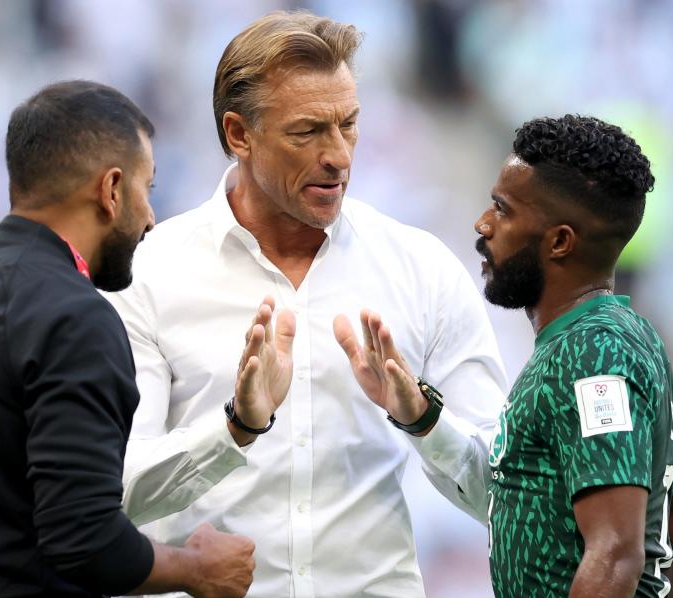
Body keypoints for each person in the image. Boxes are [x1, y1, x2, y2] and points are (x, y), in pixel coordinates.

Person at [0, 80, 296, 597]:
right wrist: (195, 569)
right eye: (148, 189)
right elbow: (85, 538)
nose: (150, 218)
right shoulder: (77, 317)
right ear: (111, 189)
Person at [104, 10, 507, 598]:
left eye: (349, 124)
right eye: (307, 131)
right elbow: (112, 494)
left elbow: (506, 494)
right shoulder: (150, 273)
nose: (338, 154)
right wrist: (234, 431)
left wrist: (423, 419)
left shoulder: (422, 269)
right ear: (239, 134)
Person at [350, 114, 673, 596]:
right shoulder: (629, 339)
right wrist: (422, 417)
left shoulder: (591, 356)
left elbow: (613, 554)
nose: (482, 224)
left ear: (560, 241)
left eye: (502, 210)